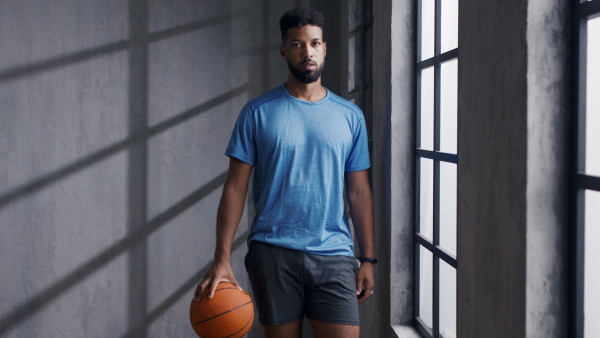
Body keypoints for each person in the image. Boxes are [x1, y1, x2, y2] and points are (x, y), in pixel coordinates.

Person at [194, 8, 375, 338]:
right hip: (273, 252)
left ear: (324, 48)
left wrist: (369, 259)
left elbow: (359, 191)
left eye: (315, 43)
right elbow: (234, 188)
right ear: (283, 51)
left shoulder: (351, 117)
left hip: (334, 252)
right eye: (297, 44)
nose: (307, 52)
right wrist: (221, 257)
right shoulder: (257, 113)